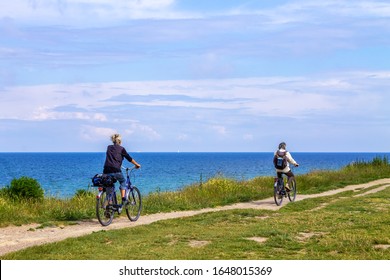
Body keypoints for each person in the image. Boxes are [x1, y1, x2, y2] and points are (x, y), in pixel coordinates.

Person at [103, 133, 141, 210]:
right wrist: (137, 164)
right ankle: (123, 198)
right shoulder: (122, 149)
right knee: (123, 181)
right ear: (120, 141)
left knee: (109, 187)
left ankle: (108, 208)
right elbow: (129, 158)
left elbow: (112, 157)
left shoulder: (109, 147)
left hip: (106, 171)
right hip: (116, 170)